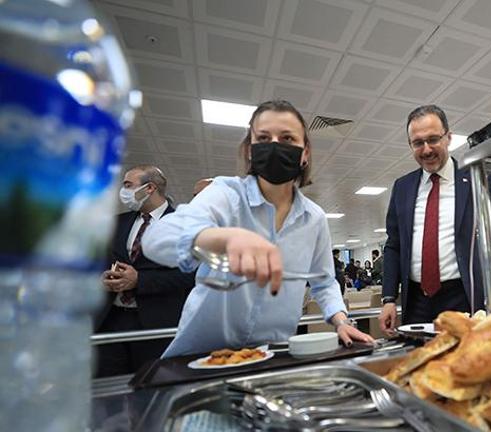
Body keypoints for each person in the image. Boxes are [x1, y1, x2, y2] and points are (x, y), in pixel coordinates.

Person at [143, 100, 374, 357]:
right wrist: (219, 238)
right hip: (203, 356)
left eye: (287, 138)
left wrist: (341, 321)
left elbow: (324, 282)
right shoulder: (226, 194)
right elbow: (156, 238)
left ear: (305, 152)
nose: (275, 146)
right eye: (263, 138)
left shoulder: (314, 217)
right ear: (250, 150)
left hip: (271, 354)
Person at [379, 105, 491, 332]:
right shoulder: (403, 187)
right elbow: (394, 246)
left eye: (433, 139)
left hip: (462, 296)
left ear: (448, 137)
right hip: (416, 301)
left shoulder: (475, 178)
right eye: (418, 143)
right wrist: (388, 298)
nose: (427, 149)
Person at [94, 165, 195, 376]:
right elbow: (102, 261)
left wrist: (140, 279)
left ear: (149, 188)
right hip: (112, 319)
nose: (124, 192)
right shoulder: (118, 222)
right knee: (108, 385)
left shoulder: (183, 225)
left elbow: (190, 275)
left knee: (150, 384)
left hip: (156, 323)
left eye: (128, 185)